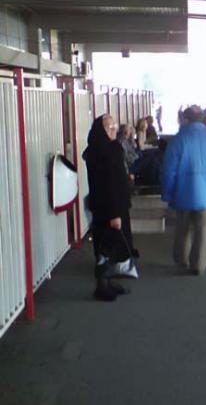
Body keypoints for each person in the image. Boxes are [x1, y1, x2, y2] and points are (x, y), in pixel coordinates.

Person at [161, 106, 206, 275]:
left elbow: (168, 171)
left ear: (186, 119)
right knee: (203, 231)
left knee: (183, 230)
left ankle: (181, 261)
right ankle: (198, 265)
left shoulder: (177, 141)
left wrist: (167, 195)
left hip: (183, 194)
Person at [83, 115, 134, 302]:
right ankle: (102, 286)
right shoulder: (105, 151)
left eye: (113, 124)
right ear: (99, 129)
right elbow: (108, 184)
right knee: (106, 247)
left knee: (109, 245)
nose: (113, 128)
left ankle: (109, 281)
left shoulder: (99, 149)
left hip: (108, 205)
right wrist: (115, 214)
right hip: (110, 208)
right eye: (108, 125)